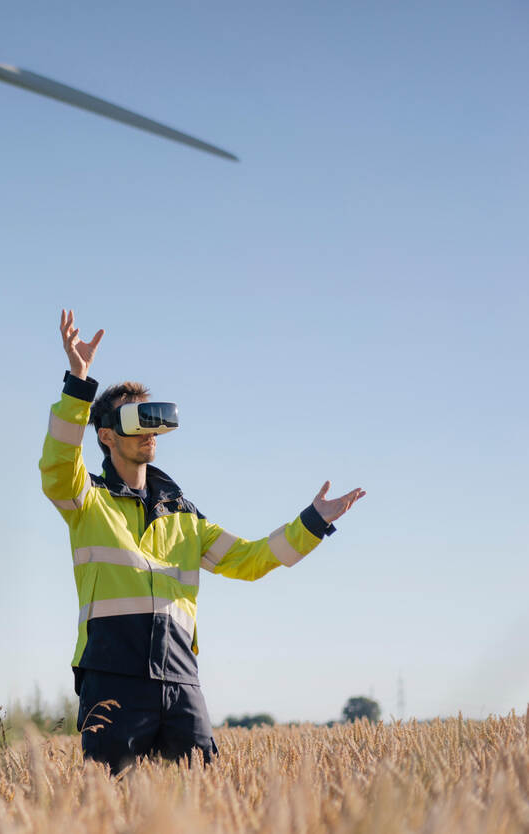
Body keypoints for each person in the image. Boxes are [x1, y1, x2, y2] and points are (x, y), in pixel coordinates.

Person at [40, 309, 365, 772]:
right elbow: (56, 465)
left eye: (154, 420)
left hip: (180, 679)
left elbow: (251, 561)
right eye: (138, 422)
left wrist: (312, 522)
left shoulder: (185, 517)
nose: (150, 431)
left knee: (204, 797)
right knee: (110, 804)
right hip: (112, 678)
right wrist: (78, 383)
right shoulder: (87, 502)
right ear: (108, 436)